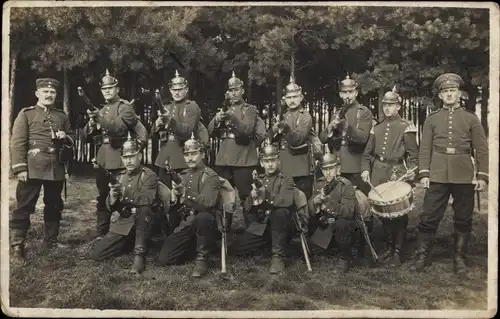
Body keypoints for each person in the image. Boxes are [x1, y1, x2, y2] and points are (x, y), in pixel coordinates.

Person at [412, 73, 488, 278]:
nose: (449, 95)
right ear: (440, 95)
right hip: (437, 172)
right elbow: (425, 148)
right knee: (428, 216)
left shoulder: (471, 118)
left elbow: (481, 149)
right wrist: (424, 173)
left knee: (463, 218)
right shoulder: (432, 119)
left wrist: (482, 176)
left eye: (452, 91)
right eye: (445, 92)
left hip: (463, 173)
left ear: (459, 93)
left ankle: (459, 258)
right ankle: (422, 255)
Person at [10, 78, 75, 263]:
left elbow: (71, 137)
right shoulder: (27, 114)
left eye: (52, 92)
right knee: (24, 206)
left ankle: (50, 242)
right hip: (32, 168)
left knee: (54, 205)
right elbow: (17, 143)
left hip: (55, 168)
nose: (49, 95)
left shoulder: (61, 116)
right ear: (37, 93)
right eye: (45, 92)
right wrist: (20, 168)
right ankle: (17, 245)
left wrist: (65, 137)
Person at [82, 69, 148, 239]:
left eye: (111, 88)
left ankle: (127, 232)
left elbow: (117, 129)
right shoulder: (101, 110)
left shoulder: (125, 107)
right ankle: (102, 231)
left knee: (124, 194)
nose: (107, 91)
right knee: (103, 195)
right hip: (103, 158)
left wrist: (99, 119)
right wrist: (90, 124)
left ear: (117, 89)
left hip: (120, 158)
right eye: (104, 89)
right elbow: (84, 136)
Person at [361, 89, 419, 266]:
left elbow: (414, 156)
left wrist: (412, 170)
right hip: (378, 171)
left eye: (391, 105)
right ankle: (389, 246)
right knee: (384, 212)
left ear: (398, 106)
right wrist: (365, 170)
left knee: (398, 213)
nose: (387, 108)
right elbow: (366, 154)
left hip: (397, 172)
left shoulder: (406, 126)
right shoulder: (376, 127)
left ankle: (397, 252)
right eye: (385, 105)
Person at [89, 133, 159, 274]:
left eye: (132, 156)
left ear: (139, 156)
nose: (128, 161)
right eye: (125, 157)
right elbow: (110, 206)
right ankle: (131, 243)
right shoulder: (120, 176)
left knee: (144, 209)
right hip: (124, 222)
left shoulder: (149, 175)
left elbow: (147, 199)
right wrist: (113, 198)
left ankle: (139, 255)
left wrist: (124, 192)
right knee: (97, 254)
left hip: (144, 221)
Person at [157, 134, 222, 278]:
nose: (190, 158)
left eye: (194, 153)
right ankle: (196, 247)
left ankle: (202, 258)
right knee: (165, 259)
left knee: (203, 217)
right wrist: (174, 198)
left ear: (203, 154)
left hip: (206, 224)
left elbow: (208, 203)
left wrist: (186, 192)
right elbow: (176, 208)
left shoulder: (210, 176)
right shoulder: (184, 175)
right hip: (187, 222)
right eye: (186, 155)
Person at [228, 139, 296, 274]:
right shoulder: (259, 180)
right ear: (261, 163)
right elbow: (246, 208)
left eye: (273, 160)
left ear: (278, 161)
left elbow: (286, 201)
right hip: (262, 226)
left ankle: (278, 256)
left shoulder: (286, 180)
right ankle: (269, 246)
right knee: (235, 249)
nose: (270, 164)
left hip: (280, 226)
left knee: (281, 212)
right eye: (267, 161)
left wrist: (266, 197)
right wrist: (252, 198)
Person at [208, 72, 259, 213]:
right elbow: (209, 132)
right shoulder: (224, 108)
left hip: (243, 159)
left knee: (247, 197)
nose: (234, 93)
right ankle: (225, 229)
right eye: (231, 90)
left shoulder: (250, 109)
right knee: (224, 197)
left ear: (242, 90)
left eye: (236, 90)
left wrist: (232, 117)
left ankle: (252, 230)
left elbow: (247, 129)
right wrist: (217, 119)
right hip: (224, 159)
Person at [319, 75, 372, 196]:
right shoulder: (337, 112)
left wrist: (347, 127)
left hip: (355, 166)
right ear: (340, 95)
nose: (348, 95)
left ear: (356, 93)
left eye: (350, 92)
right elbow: (322, 139)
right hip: (338, 166)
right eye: (345, 92)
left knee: (358, 200)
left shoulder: (363, 112)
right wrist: (331, 127)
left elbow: (363, 138)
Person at [307, 148, 358, 274]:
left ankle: (344, 257)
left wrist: (328, 202)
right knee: (311, 220)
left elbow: (348, 211)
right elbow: (310, 208)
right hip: (326, 225)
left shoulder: (346, 185)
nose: (328, 173)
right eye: (325, 169)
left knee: (342, 223)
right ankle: (328, 247)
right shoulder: (319, 184)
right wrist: (315, 202)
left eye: (331, 168)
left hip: (343, 225)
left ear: (338, 168)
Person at [153, 70, 202, 189]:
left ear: (186, 89)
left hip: (183, 155)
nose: (177, 92)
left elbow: (188, 131)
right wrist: (157, 125)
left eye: (180, 89)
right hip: (165, 155)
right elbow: (155, 135)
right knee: (164, 192)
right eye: (174, 90)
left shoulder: (191, 106)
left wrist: (170, 121)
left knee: (183, 192)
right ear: (170, 90)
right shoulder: (167, 106)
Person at [269, 76, 314, 200]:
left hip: (300, 166)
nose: (292, 100)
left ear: (301, 97)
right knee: (284, 201)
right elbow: (270, 139)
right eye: (289, 97)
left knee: (302, 202)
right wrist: (274, 130)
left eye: (295, 97)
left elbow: (298, 139)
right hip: (284, 165)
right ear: (284, 99)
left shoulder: (305, 117)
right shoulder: (283, 115)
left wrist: (285, 128)